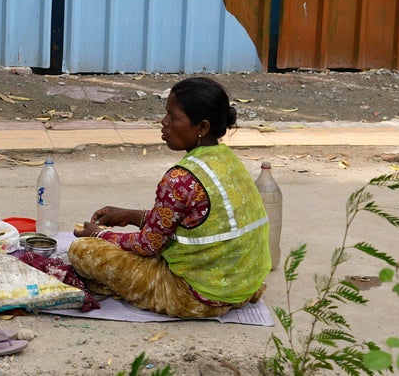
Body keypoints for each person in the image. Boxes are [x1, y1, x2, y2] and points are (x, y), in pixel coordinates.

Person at [69, 77, 270, 318]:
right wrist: (131, 216)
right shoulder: (229, 162)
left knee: (82, 251)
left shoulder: (179, 179)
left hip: (196, 296)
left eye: (173, 117)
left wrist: (99, 234)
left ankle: (117, 284)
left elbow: (148, 245)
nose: (164, 123)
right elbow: (194, 221)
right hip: (244, 287)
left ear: (202, 128)